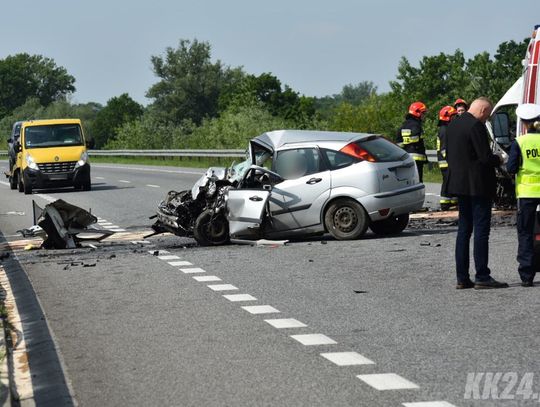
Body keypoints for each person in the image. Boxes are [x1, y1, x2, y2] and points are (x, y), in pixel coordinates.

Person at [443, 97, 508, 289]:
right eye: (486, 115)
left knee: (464, 230)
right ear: (482, 110)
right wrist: (500, 159)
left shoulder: (453, 125)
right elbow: (485, 158)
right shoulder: (476, 126)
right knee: (481, 231)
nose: (485, 119)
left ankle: (462, 277)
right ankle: (482, 275)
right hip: (478, 186)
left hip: (459, 185)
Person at [506, 103, 540, 287]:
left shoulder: (520, 142)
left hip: (527, 192)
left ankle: (527, 276)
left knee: (525, 232)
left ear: (524, 123)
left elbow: (511, 168)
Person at [396, 102, 428, 182]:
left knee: (409, 181)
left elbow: (399, 143)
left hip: (406, 158)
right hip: (417, 158)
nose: (424, 115)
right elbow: (415, 138)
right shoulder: (416, 125)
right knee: (418, 181)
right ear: (417, 112)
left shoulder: (403, 125)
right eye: (423, 113)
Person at [436, 105, 458, 210]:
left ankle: (452, 201)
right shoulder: (444, 130)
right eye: (453, 116)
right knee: (447, 181)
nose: (455, 118)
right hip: (446, 161)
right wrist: (451, 159)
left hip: (446, 161)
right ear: (447, 117)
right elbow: (444, 148)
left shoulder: (445, 129)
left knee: (451, 181)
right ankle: (445, 203)